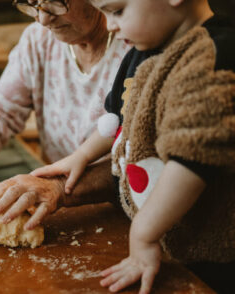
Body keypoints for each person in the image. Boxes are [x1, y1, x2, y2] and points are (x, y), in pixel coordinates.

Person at [18, 0, 235, 293]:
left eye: (118, 10)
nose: (109, 25)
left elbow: (191, 160)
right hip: (169, 241)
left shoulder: (212, 55)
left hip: (214, 255)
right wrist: (81, 155)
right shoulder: (142, 51)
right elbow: (117, 118)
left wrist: (144, 235)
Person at [0, 0, 130, 248]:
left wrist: (60, 188)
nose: (42, 19)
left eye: (54, 2)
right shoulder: (38, 41)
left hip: (143, 221)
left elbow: (143, 154)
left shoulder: (140, 37)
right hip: (67, 219)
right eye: (30, 3)